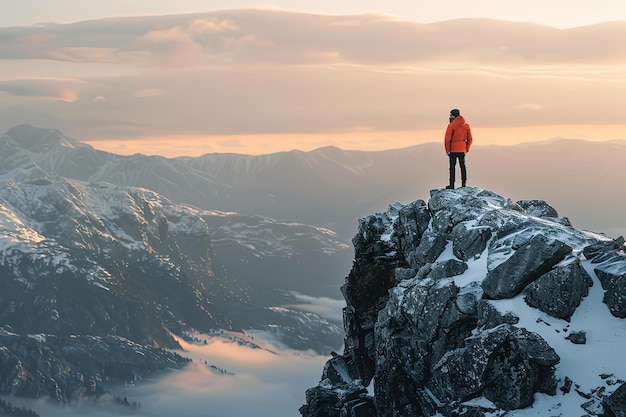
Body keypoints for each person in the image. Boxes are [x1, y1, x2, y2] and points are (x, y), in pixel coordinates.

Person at [444, 108, 472, 189]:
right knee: (462, 166)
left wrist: (447, 150)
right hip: (462, 150)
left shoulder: (451, 125)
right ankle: (464, 183)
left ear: (454, 116)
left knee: (452, 167)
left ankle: (451, 185)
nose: (450, 117)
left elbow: (447, 139)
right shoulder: (466, 126)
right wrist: (466, 148)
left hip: (453, 150)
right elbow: (470, 139)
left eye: (451, 115)